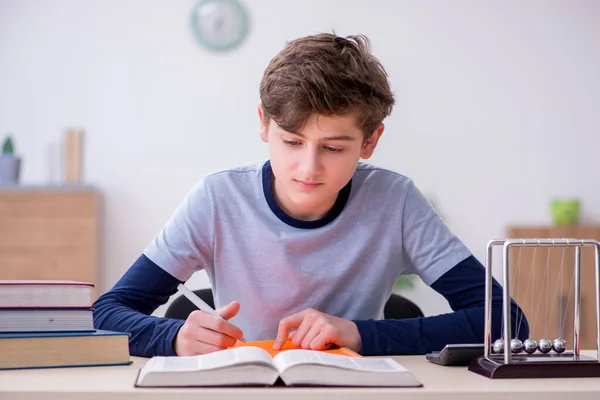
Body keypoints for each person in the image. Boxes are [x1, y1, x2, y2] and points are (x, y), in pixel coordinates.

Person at [93, 33, 528, 357]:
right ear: (264, 124)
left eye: (334, 148)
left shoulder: (395, 202)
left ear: (371, 142)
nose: (308, 168)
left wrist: (358, 333)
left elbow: (508, 323)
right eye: (292, 142)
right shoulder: (217, 199)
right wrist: (172, 336)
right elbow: (107, 312)